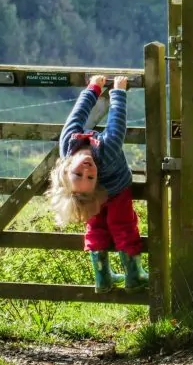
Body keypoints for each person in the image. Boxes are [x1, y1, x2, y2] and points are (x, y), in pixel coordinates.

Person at [45, 75, 148, 293]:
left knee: (100, 226)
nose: (87, 170)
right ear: (94, 186)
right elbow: (117, 125)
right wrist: (118, 92)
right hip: (119, 189)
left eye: (78, 173)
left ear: (66, 166)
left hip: (102, 191)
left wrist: (93, 88)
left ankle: (104, 278)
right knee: (121, 226)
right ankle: (132, 275)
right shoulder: (107, 150)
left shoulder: (68, 143)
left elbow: (78, 114)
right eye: (89, 177)